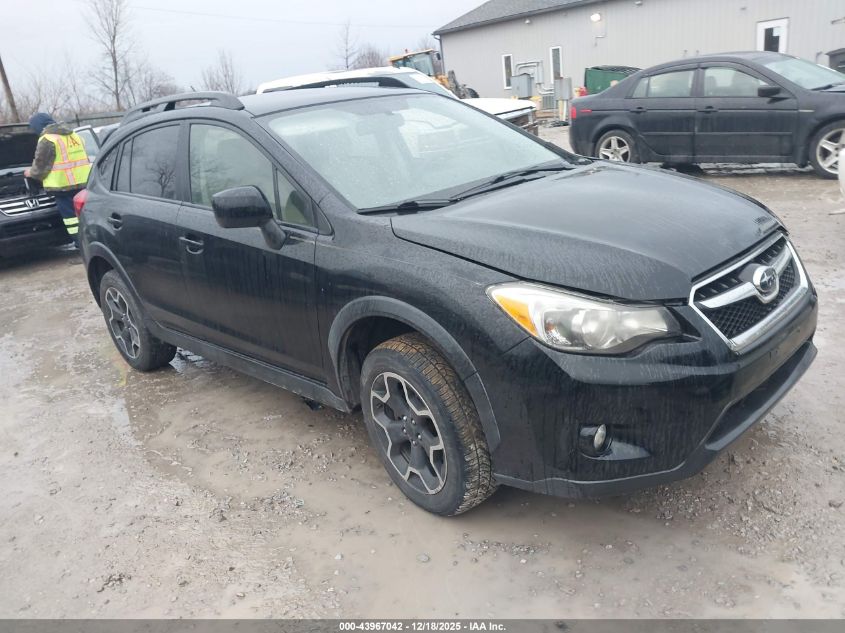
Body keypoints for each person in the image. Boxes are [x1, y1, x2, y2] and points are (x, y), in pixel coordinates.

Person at [24, 113, 91, 247]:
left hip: (63, 187)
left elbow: (40, 167)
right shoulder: (74, 135)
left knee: (71, 220)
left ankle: (80, 245)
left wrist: (29, 173)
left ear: (38, 126)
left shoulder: (47, 139)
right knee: (86, 214)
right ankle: (91, 242)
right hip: (85, 183)